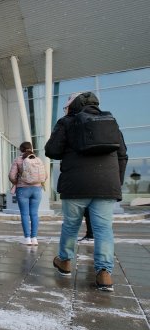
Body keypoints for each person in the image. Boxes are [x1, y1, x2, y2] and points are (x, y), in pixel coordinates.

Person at [45, 91, 127, 292]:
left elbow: (51, 150)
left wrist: (63, 123)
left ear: (74, 105)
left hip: (76, 186)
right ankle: (104, 274)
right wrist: (116, 182)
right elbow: (122, 155)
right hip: (106, 185)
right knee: (103, 230)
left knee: (71, 226)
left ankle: (64, 261)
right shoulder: (110, 121)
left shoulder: (67, 122)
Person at [9, 141, 45, 245]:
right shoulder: (38, 159)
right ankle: (34, 238)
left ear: (21, 149)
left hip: (23, 189)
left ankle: (27, 238)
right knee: (34, 214)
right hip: (37, 189)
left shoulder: (18, 160)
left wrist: (16, 182)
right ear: (31, 149)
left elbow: (11, 175)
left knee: (24, 214)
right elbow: (45, 175)